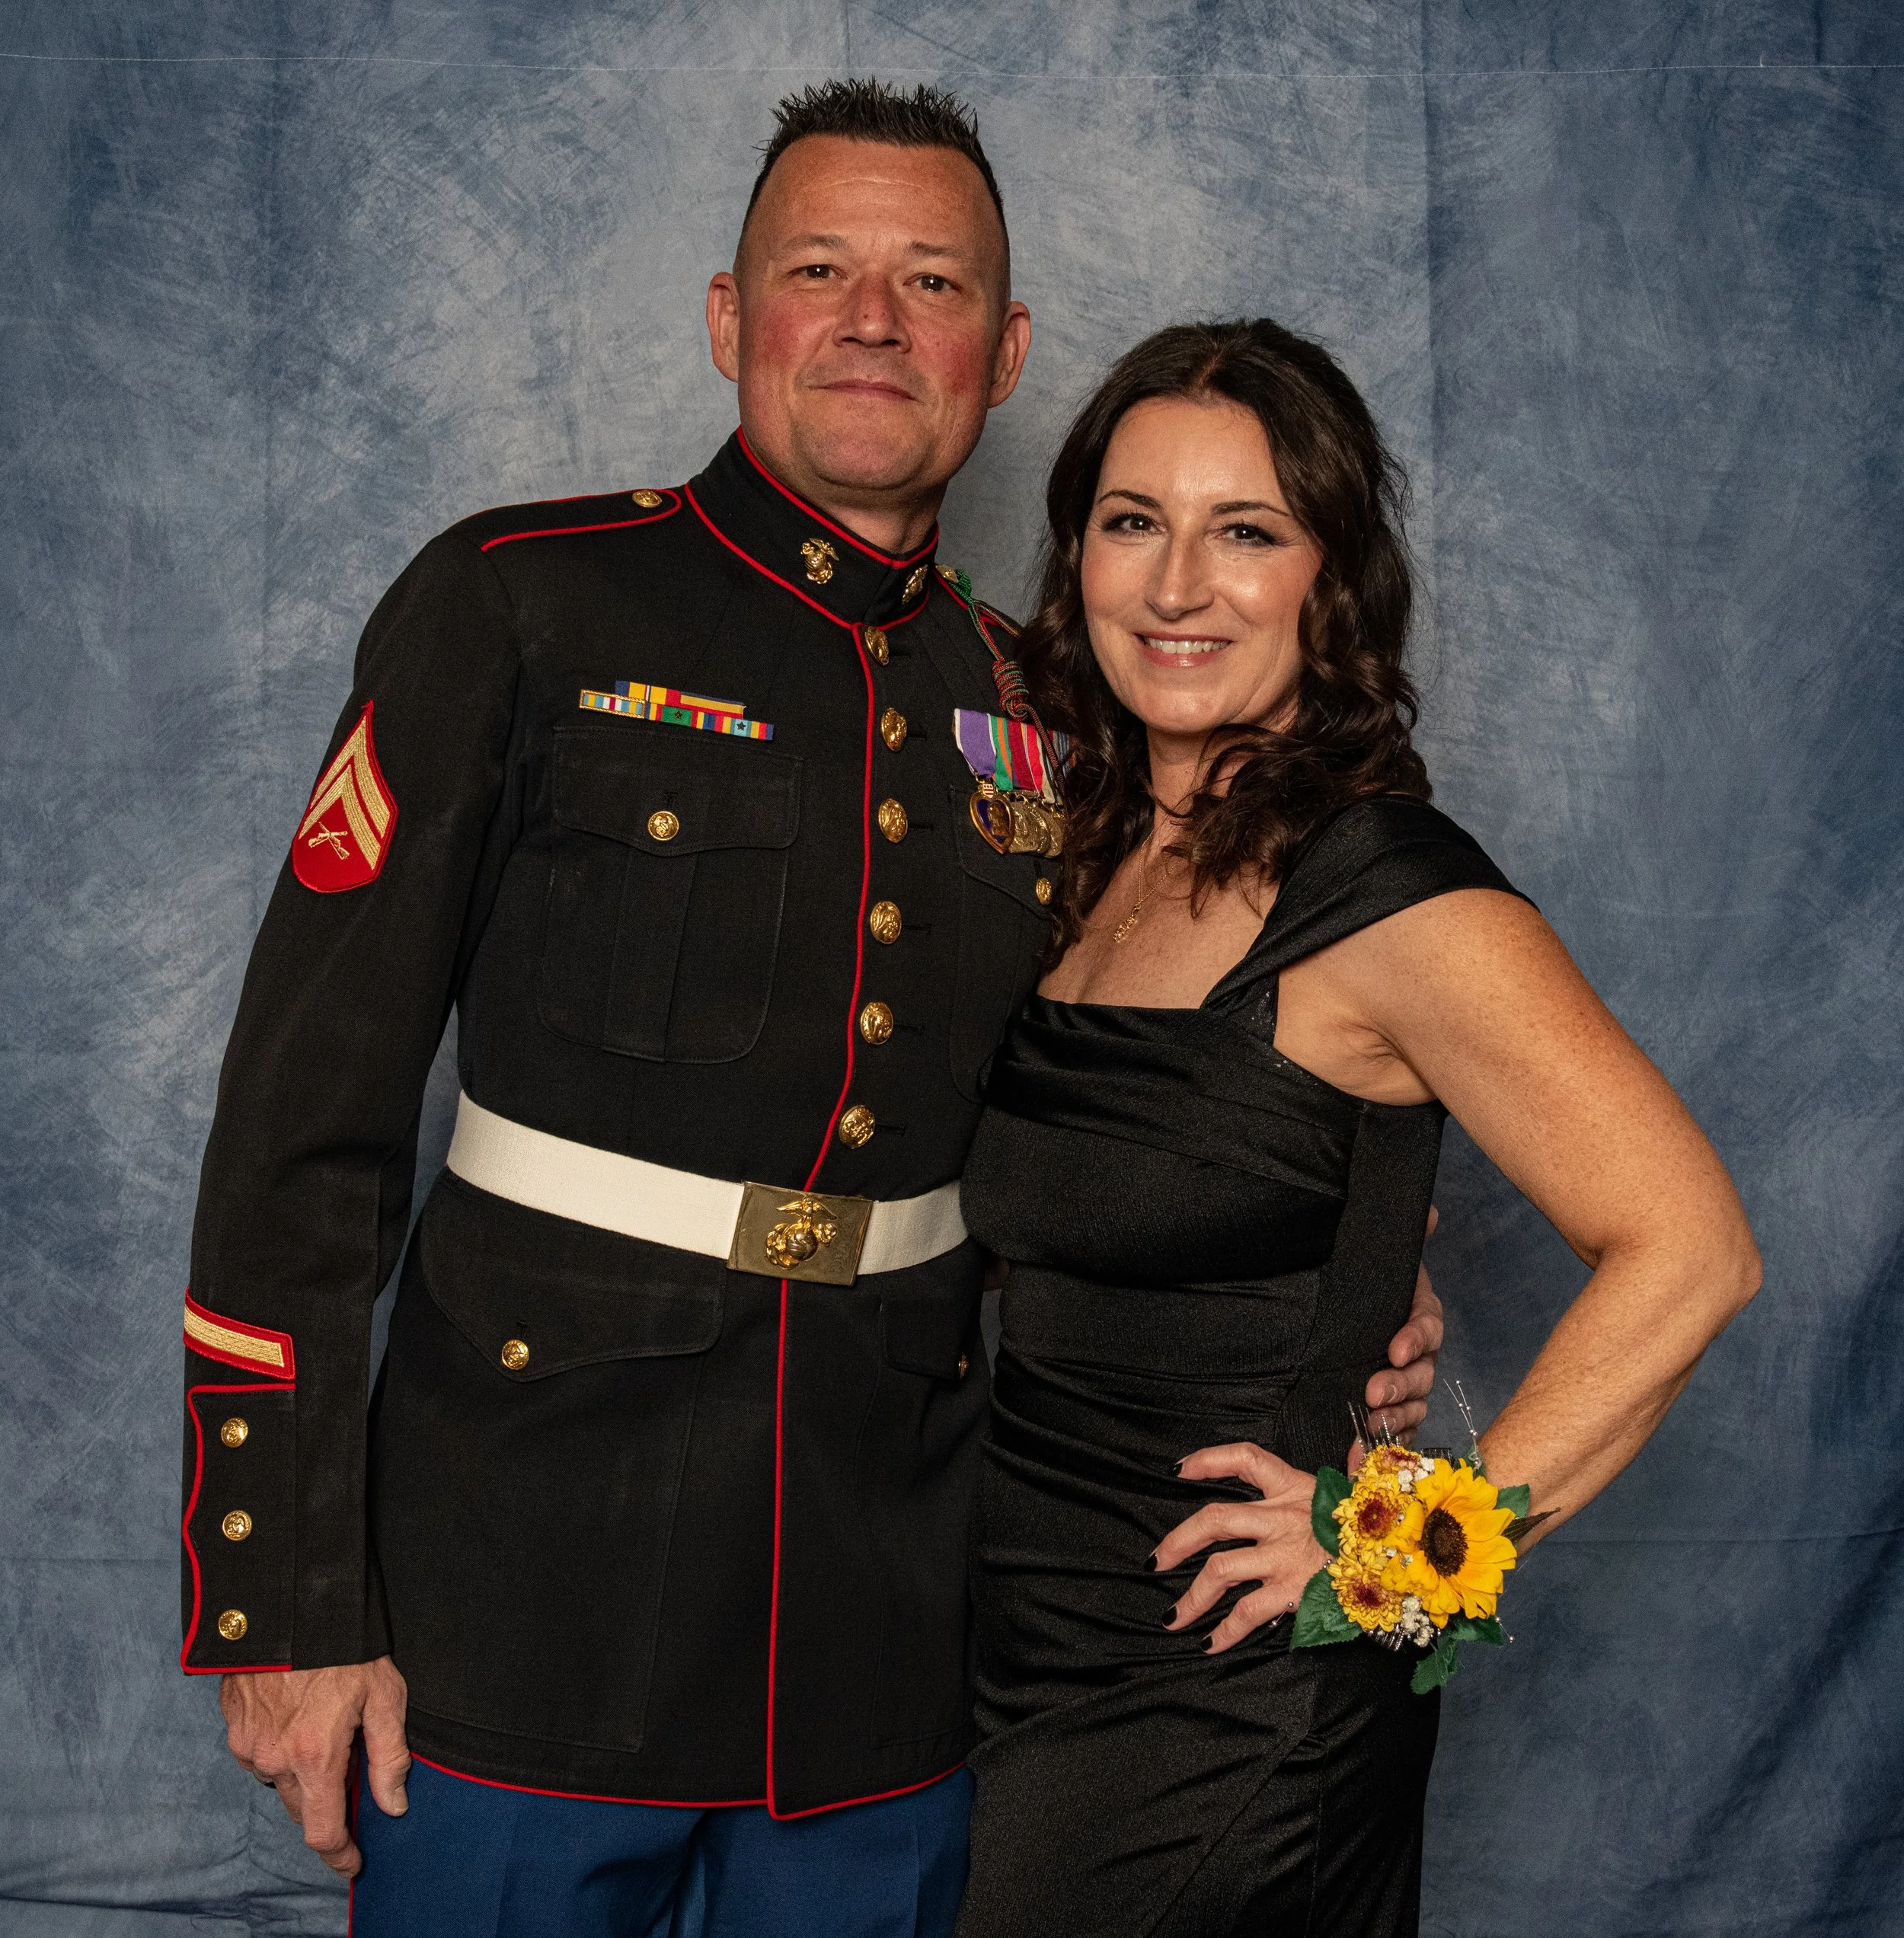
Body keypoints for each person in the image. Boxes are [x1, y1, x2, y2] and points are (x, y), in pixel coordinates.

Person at [178, 90, 1447, 1937]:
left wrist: (1333, 1280)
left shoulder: (1044, 706)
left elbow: (1115, 1093)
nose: (871, 316)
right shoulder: (520, 606)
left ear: (1002, 354)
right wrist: (281, 1609)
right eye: (818, 270)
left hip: (889, 1624)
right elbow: (300, 1139)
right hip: (520, 1597)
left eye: (929, 280)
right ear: (726, 317)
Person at [952, 318, 1762, 1937]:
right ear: (1074, 558)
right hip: (1011, 1634)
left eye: (1243, 531)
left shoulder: (1387, 889)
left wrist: (1401, 1558)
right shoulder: (1091, 856)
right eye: (1133, 522)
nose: (1177, 584)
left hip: (1231, 1700)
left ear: (1328, 583)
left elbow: (1690, 1251)